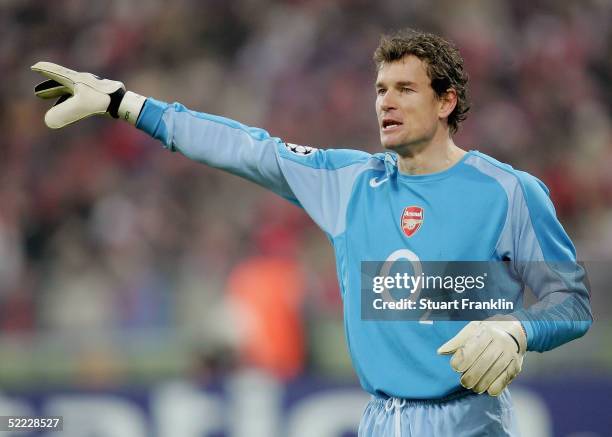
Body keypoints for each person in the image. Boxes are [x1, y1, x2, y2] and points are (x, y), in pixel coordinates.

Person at [32, 28, 592, 436]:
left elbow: (571, 304)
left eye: (405, 88)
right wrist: (123, 102)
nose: (386, 102)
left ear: (447, 101)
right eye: (380, 89)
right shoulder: (349, 181)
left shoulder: (510, 191)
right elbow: (247, 149)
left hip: (474, 422)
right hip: (380, 420)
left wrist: (516, 328)